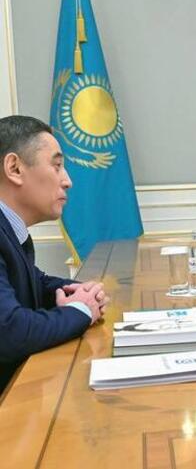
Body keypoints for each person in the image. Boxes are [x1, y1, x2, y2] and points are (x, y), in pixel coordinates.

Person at [0, 115, 108, 392]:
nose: (67, 181)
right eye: (57, 166)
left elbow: (35, 282)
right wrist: (82, 310)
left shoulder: (10, 230)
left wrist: (80, 292)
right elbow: (9, 332)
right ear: (14, 168)